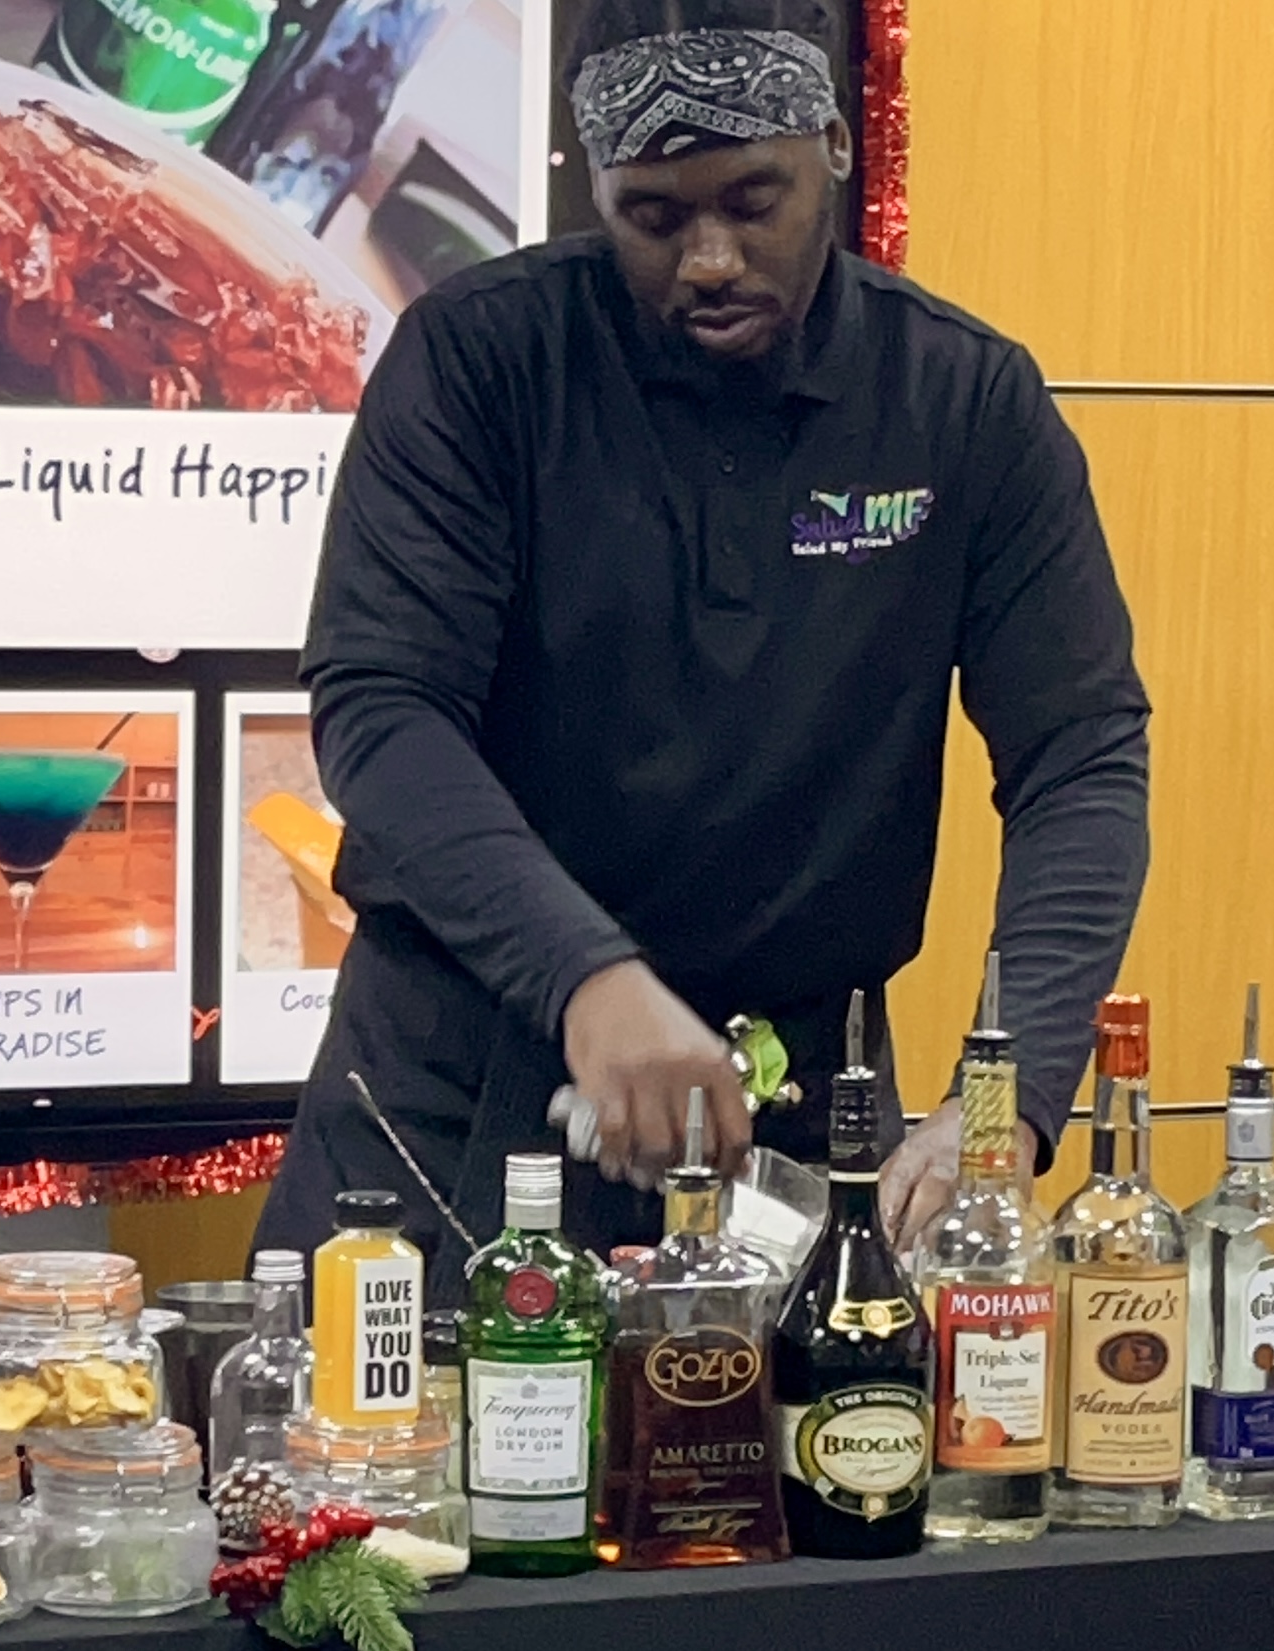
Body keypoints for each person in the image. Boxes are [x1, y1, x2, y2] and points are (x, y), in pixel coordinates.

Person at [251, 0, 1149, 1300]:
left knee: (804, 1435)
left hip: (798, 1123)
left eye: (753, 201)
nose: (712, 259)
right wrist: (587, 980)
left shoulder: (960, 401)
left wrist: (1002, 1105)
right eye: (655, 217)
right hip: (463, 1093)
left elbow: (1083, 757)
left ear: (836, 147)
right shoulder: (481, 362)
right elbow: (382, 713)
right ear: (595, 187)